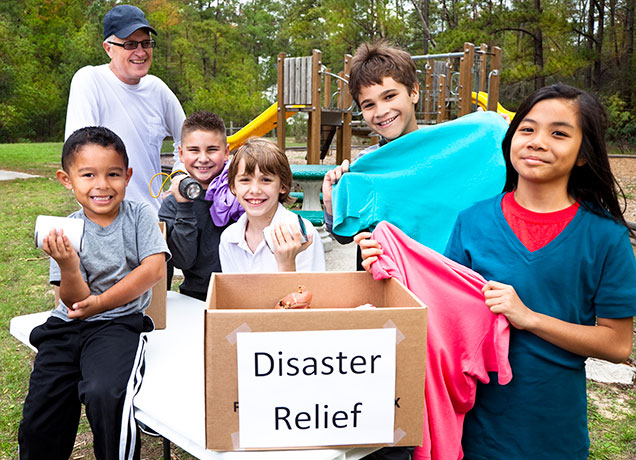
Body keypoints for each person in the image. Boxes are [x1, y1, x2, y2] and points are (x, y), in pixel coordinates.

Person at [358, 84, 636, 460]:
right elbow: (443, 316)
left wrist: (529, 318)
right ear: (510, 140)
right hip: (477, 430)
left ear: (584, 154)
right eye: (527, 129)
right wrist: (386, 264)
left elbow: (616, 345)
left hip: (554, 434)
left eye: (558, 133)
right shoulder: (473, 221)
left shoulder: (606, 237)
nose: (537, 142)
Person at [18, 126, 170, 459]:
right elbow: (71, 302)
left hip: (116, 326)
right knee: (42, 411)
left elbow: (154, 270)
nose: (102, 185)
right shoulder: (64, 229)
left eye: (113, 174)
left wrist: (100, 303)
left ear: (128, 176)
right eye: (88, 174)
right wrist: (69, 265)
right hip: (66, 328)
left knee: (105, 394)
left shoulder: (139, 215)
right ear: (66, 179)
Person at [65, 4, 186, 212]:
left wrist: (179, 175)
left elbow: (188, 139)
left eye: (146, 43)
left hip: (152, 219)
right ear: (108, 48)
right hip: (106, 217)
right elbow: (78, 155)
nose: (140, 52)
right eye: (129, 44)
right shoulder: (89, 80)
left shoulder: (157, 89)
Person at [322, 39, 419, 267]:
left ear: (413, 91)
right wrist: (331, 204)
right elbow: (345, 236)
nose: (382, 111)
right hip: (380, 281)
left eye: (389, 96)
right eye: (368, 105)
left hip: (436, 280)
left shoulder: (446, 151)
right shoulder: (365, 165)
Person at [159, 111, 240, 301]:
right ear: (180, 153)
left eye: (212, 150)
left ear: (226, 152)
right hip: (195, 297)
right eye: (194, 150)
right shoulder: (172, 204)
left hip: (242, 295)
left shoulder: (241, 194)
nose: (203, 158)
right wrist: (185, 206)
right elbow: (183, 261)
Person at [219, 137, 326, 273]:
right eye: (245, 180)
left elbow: (310, 292)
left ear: (282, 185)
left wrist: (286, 264)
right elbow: (232, 293)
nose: (255, 190)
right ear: (233, 186)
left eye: (266, 180)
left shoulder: (302, 233)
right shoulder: (229, 238)